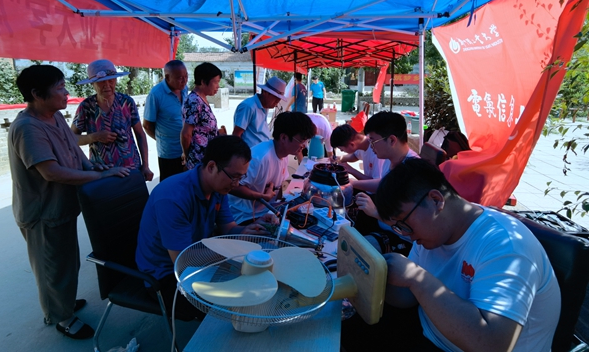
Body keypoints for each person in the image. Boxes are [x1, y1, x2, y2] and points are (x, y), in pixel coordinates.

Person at [342, 158, 561, 351]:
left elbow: (491, 344)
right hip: (430, 333)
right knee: (341, 329)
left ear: (436, 200)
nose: (406, 235)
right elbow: (408, 297)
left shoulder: (506, 246)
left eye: (404, 224)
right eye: (398, 227)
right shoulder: (432, 231)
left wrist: (416, 278)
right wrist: (376, 275)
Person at [8, 65, 130, 340]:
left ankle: (62, 302)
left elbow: (75, 150)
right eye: (60, 88)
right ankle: (60, 317)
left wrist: (93, 167)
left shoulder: (54, 116)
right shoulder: (28, 128)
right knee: (52, 266)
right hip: (42, 212)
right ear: (37, 94)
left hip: (61, 208)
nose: (66, 93)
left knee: (66, 262)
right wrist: (100, 176)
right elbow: (51, 172)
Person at [135, 136, 276, 320]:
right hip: (165, 275)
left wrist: (247, 230)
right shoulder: (172, 198)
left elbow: (228, 228)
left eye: (241, 177)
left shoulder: (219, 188)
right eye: (234, 177)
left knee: (257, 283)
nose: (236, 184)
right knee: (236, 306)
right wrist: (236, 247)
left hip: (195, 258)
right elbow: (183, 260)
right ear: (211, 167)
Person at [71, 59, 153, 181]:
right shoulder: (86, 107)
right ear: (92, 84)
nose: (107, 85)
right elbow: (71, 139)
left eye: (111, 80)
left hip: (131, 168)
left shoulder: (126, 102)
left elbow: (140, 134)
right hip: (102, 171)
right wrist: (94, 137)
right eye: (101, 82)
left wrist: (145, 166)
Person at [229, 111, 316, 225]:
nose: (305, 145)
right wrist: (262, 196)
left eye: (307, 141)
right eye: (302, 140)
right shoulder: (258, 158)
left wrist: (300, 186)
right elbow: (232, 187)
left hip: (266, 210)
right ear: (283, 137)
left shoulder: (283, 154)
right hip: (244, 216)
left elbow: (278, 189)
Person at [143, 60, 188, 181]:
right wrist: (162, 139)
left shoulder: (184, 89)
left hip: (187, 148)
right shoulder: (155, 94)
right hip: (169, 153)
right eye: (179, 78)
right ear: (167, 77)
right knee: (170, 184)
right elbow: (147, 125)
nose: (184, 80)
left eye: (186, 76)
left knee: (186, 184)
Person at [181, 62, 221, 170]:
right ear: (203, 82)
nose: (218, 86)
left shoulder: (202, 99)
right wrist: (188, 156)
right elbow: (186, 134)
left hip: (207, 158)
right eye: (216, 82)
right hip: (198, 161)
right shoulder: (194, 101)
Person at [232, 76, 287, 147]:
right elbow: (236, 135)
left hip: (263, 149)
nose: (278, 101)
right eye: (275, 97)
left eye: (279, 98)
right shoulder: (248, 106)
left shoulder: (265, 106)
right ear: (265, 92)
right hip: (251, 151)